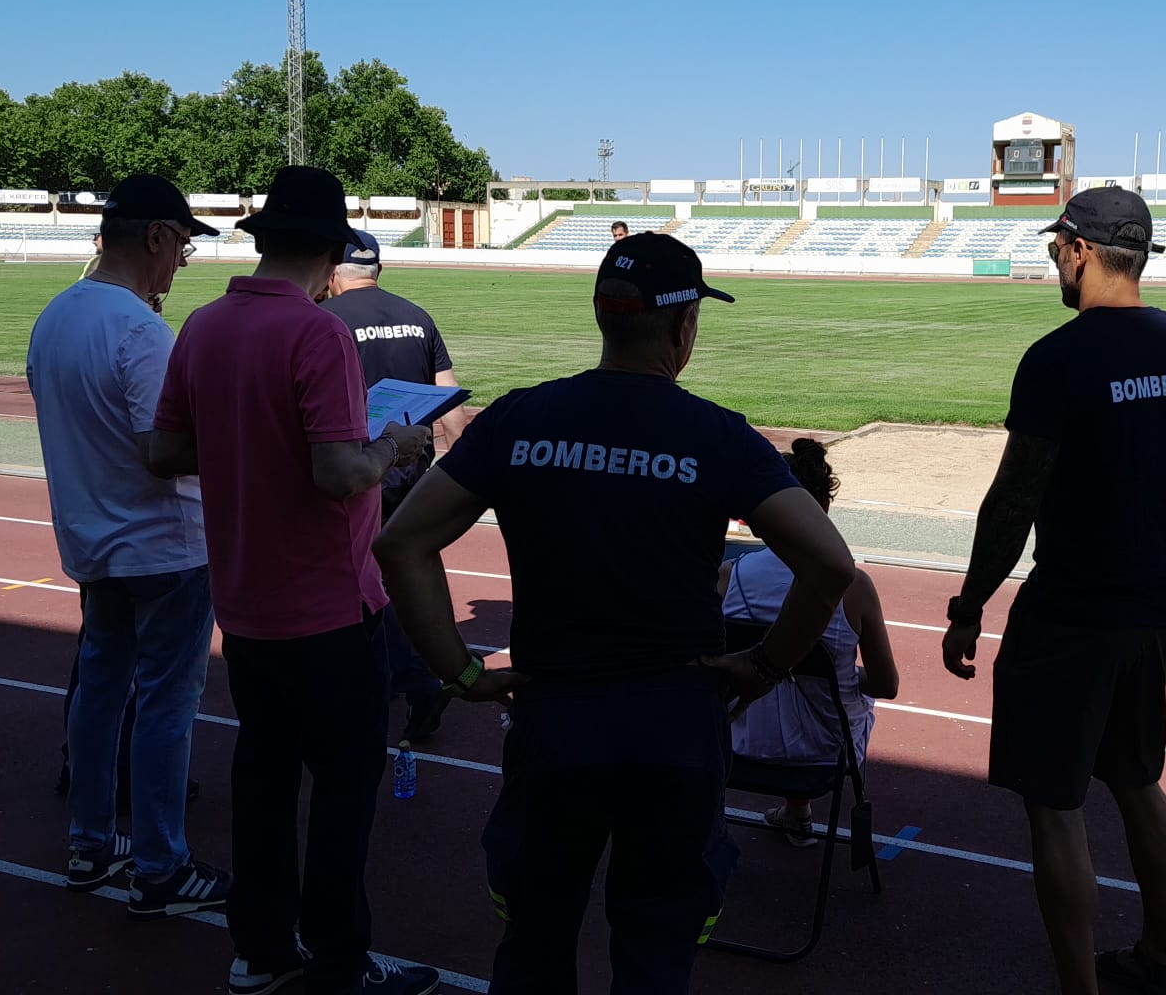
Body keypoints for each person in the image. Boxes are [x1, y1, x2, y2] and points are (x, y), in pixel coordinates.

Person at [373, 232, 856, 993]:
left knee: (534, 947)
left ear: (604, 317)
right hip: (674, 733)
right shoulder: (716, 434)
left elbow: (401, 544)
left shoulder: (519, 420)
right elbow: (829, 564)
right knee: (654, 957)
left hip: (554, 725)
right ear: (683, 327)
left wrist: (458, 671)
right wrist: (766, 665)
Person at [940, 187, 1166, 995]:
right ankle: (1161, 953)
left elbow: (1015, 499)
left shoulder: (1058, 358)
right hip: (1157, 610)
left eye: (1054, 251)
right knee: (1137, 779)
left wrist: (971, 604)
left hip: (1072, 611)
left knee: (1054, 803)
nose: (1053, 264)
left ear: (1077, 249)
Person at [149, 165, 440, 995]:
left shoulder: (204, 325)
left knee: (264, 779)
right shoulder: (318, 336)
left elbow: (166, 452)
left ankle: (259, 950)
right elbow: (339, 473)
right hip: (328, 608)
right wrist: (397, 447)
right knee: (346, 793)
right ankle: (341, 959)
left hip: (245, 603)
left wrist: (248, 442)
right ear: (330, 251)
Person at [26, 173, 229, 918]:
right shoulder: (141, 330)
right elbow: (163, 450)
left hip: (91, 539)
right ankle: (160, 865)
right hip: (166, 546)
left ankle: (90, 844)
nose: (182, 263)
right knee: (168, 705)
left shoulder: (54, 316)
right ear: (157, 238)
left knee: (101, 688)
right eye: (182, 247)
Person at [321, 228, 472, 741]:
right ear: (377, 270)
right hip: (413, 464)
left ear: (333, 274)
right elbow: (447, 398)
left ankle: (406, 675)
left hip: (359, 467)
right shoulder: (416, 315)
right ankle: (415, 666)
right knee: (406, 568)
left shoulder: (325, 321)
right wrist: (460, 468)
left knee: (359, 581)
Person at [718, 437, 899, 846]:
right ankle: (798, 810)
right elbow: (886, 685)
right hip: (825, 750)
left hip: (739, 742)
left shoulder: (729, 577)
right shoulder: (855, 586)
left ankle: (790, 814)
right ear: (825, 509)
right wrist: (836, 673)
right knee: (840, 692)